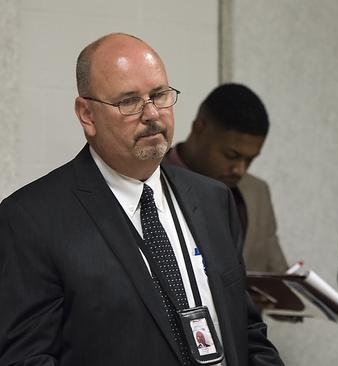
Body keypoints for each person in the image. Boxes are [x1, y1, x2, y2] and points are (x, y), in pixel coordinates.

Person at [0, 33, 283, 366]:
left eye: (160, 95)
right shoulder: (30, 219)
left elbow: (247, 331)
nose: (152, 114)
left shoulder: (213, 200)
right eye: (129, 101)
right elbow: (25, 358)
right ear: (87, 114)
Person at [165, 83, 288, 273]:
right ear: (199, 128)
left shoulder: (257, 192)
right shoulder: (148, 181)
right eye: (231, 155)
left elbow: (277, 271)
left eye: (250, 160)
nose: (240, 169)